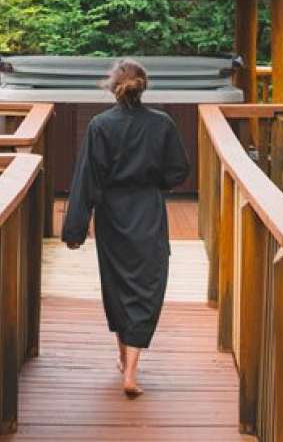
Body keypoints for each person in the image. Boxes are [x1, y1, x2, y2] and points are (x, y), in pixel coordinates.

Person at [60, 58, 190, 398]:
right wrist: (154, 182)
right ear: (144, 87)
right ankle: (130, 369)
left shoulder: (100, 126)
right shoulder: (162, 124)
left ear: (113, 87)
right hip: (147, 209)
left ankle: (123, 358)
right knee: (147, 283)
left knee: (116, 282)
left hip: (112, 214)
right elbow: (179, 170)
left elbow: (86, 178)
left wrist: (75, 229)